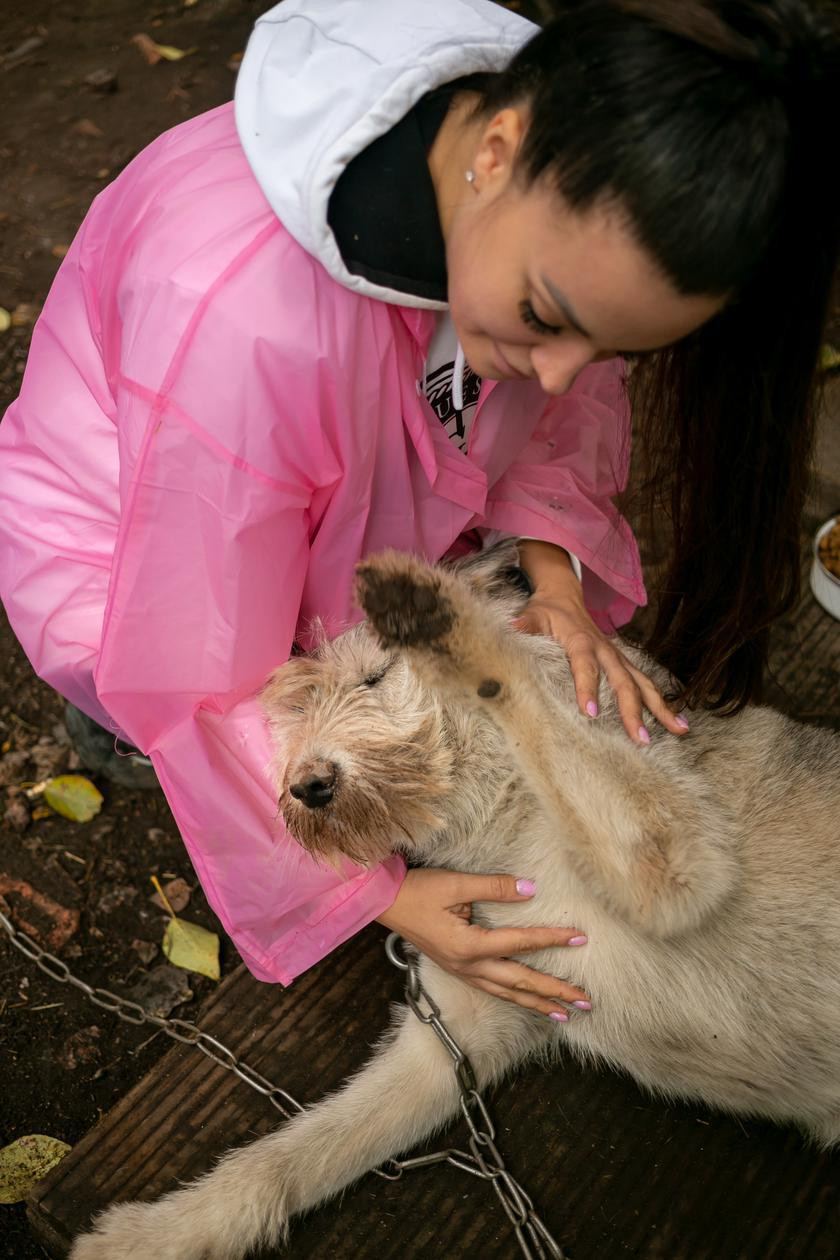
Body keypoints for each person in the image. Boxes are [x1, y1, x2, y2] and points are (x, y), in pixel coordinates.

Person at [0, 0, 836, 1019]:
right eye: (546, 321)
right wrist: (381, 894)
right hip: (139, 536)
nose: (567, 375)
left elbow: (542, 414)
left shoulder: (543, 184)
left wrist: (555, 580)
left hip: (310, 481)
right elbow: (199, 644)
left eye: (610, 351)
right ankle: (111, 729)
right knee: (173, 706)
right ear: (496, 149)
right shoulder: (243, 326)